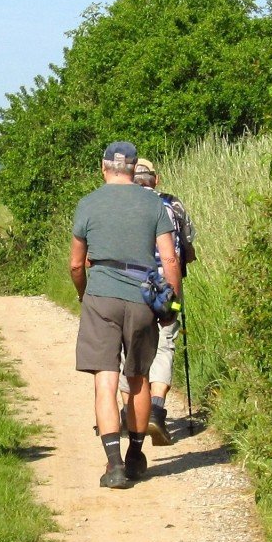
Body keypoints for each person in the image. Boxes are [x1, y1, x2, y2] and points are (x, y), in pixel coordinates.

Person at [70, 141, 180, 489]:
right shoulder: (153, 204)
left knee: (105, 379)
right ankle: (135, 455)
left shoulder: (88, 203)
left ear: (104, 168)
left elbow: (76, 263)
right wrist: (171, 304)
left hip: (101, 295)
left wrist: (82, 292)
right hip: (142, 298)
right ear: (134, 169)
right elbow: (171, 259)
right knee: (138, 378)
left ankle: (114, 465)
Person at [132, 157, 196, 446]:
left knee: (129, 346)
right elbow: (187, 249)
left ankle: (129, 413)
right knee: (165, 343)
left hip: (133, 287)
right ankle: (156, 409)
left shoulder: (123, 206)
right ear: (155, 180)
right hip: (169, 288)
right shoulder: (174, 205)